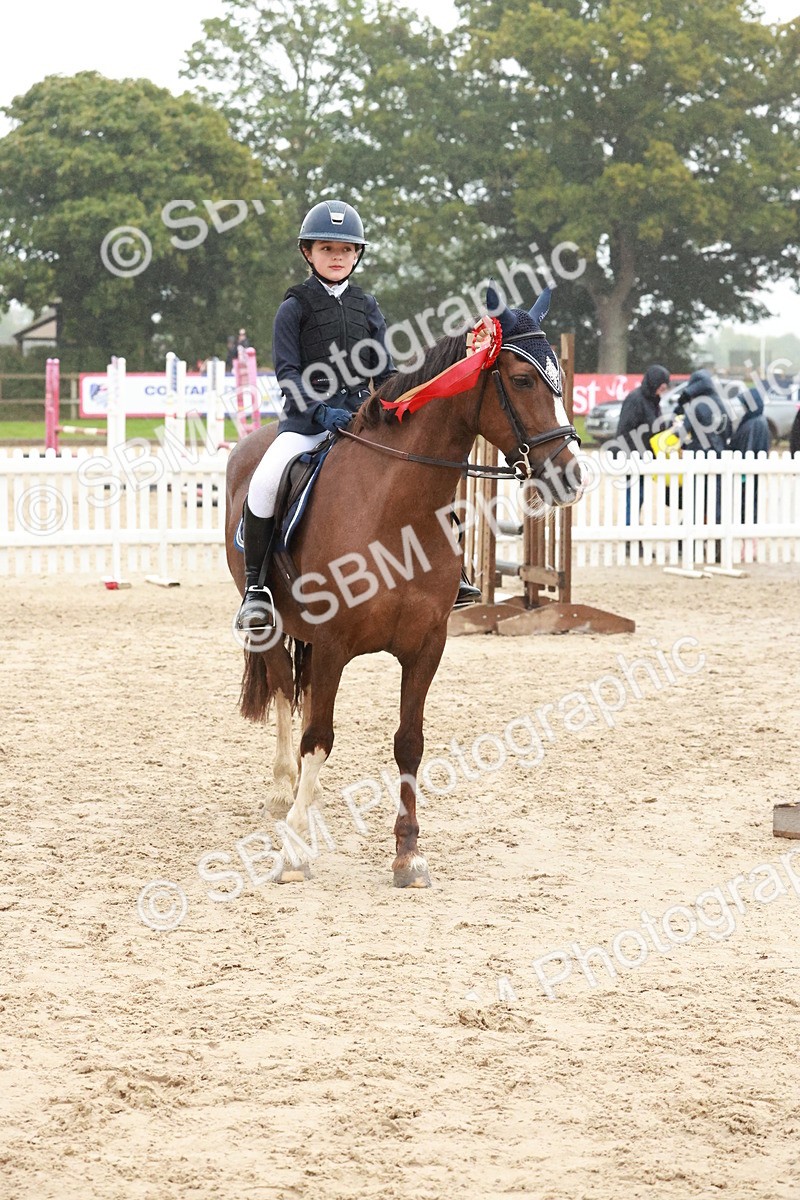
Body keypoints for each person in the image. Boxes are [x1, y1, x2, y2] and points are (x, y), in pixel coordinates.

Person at [615, 364, 671, 527]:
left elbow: (654, 426)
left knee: (639, 496)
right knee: (633, 496)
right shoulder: (635, 399)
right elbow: (625, 429)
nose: (664, 387)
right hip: (633, 455)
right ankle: (629, 531)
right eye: (662, 383)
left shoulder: (653, 400)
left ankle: (632, 528)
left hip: (644, 457)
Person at [729, 386, 771, 524]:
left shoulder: (755, 423)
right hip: (748, 474)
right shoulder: (754, 420)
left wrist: (744, 477)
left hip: (747, 475)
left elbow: (749, 448)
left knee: (747, 508)